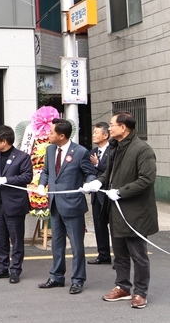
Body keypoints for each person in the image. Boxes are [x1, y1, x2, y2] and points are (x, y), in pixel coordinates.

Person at [83, 112, 158, 309]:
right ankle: (123, 287)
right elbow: (108, 173)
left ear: (123, 127)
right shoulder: (115, 148)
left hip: (135, 213)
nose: (109, 128)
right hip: (116, 211)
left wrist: (121, 192)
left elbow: (147, 179)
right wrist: (97, 183)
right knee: (120, 254)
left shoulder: (142, 150)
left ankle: (140, 292)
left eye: (112, 125)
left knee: (138, 255)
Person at [36, 118, 96, 295]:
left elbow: (90, 173)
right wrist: (41, 185)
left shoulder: (80, 152)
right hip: (55, 203)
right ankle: (56, 276)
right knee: (57, 244)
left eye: (51, 132)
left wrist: (89, 184)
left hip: (73, 205)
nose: (48, 134)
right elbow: (46, 171)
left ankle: (78, 280)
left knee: (77, 246)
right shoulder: (50, 150)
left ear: (62, 135)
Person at [0, 125, 33, 284]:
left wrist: (7, 180)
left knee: (16, 239)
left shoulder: (22, 157)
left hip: (14, 204)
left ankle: (15, 270)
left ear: (4, 141)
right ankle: (2, 268)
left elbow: (27, 176)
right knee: (1, 239)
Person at [88, 122, 112, 265]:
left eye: (96, 133)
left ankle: (120, 259)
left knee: (114, 227)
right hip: (96, 195)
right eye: (93, 132)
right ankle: (103, 255)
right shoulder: (92, 152)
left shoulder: (113, 150)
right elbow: (90, 171)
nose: (93, 135)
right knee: (99, 225)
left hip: (110, 194)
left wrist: (98, 164)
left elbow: (111, 170)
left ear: (105, 135)